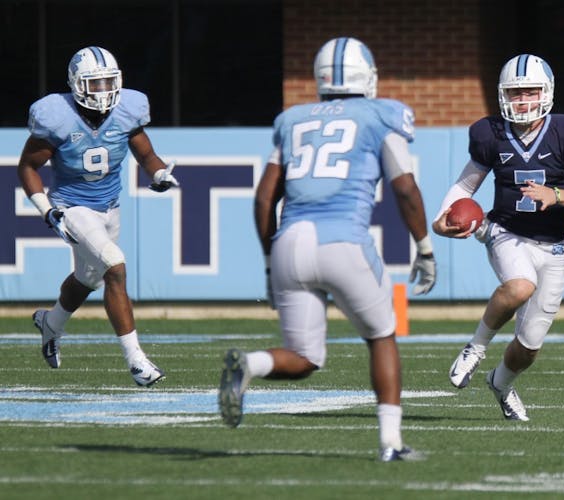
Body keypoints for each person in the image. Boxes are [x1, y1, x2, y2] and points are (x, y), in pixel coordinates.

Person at [218, 37, 437, 461]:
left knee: (304, 357)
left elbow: (265, 199)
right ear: (368, 77)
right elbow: (405, 189)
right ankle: (391, 443)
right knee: (381, 336)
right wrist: (424, 248)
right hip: (344, 241)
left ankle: (251, 364)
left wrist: (269, 260)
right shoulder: (381, 116)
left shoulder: (294, 119)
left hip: (289, 243)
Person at [432, 54, 564, 421]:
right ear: (503, 96)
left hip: (554, 245)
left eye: (530, 91)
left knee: (528, 348)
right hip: (505, 231)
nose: (523, 100)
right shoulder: (490, 133)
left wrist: (557, 195)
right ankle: (475, 348)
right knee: (519, 287)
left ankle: (501, 383)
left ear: (547, 93)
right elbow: (466, 185)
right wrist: (440, 221)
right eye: (515, 93)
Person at [17, 46, 179, 386]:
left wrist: (159, 174)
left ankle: (51, 324)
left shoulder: (127, 111)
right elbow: (29, 166)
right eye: (95, 84)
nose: (104, 92)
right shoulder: (57, 116)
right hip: (73, 207)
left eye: (108, 83)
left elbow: (147, 154)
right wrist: (48, 210)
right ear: (77, 84)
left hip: (109, 208)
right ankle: (137, 361)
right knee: (115, 266)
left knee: (87, 279)